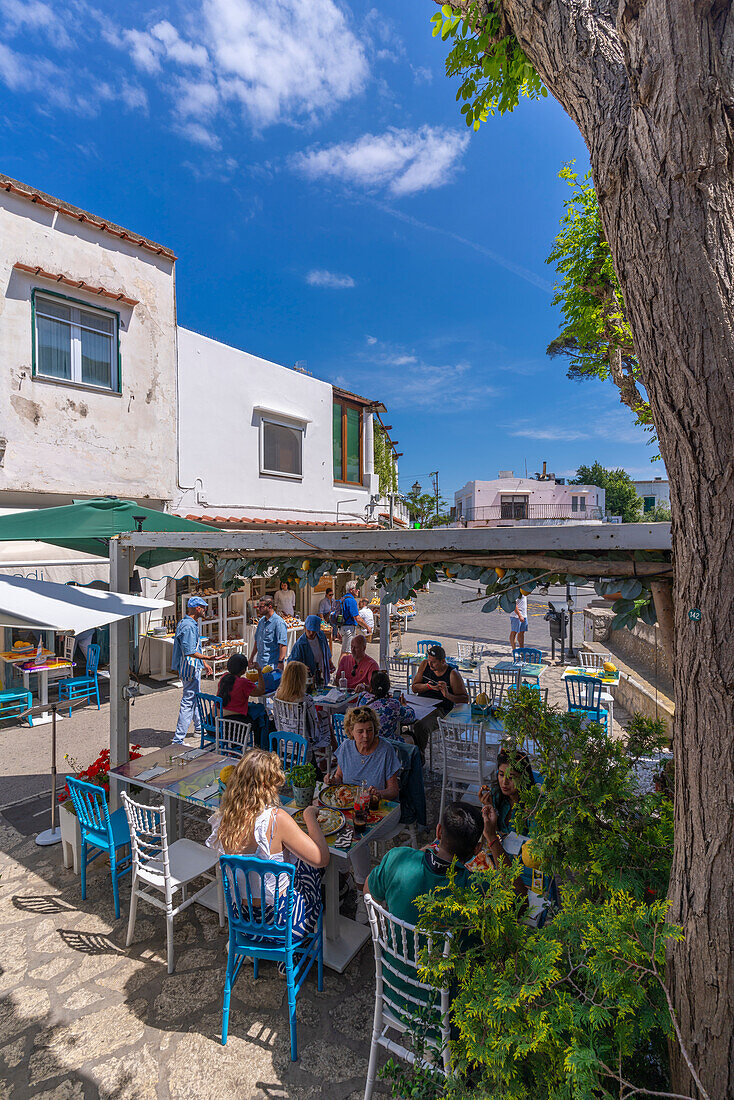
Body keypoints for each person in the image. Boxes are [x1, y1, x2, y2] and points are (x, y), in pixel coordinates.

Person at [207, 749, 330, 946]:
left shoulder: (223, 818)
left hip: (243, 921)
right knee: (312, 868)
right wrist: (309, 815)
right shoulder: (275, 819)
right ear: (265, 786)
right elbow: (321, 858)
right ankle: (292, 953)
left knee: (286, 864)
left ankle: (252, 949)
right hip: (280, 927)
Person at [326, 705, 401, 921]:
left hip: (384, 808)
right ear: (351, 731)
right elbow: (340, 778)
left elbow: (394, 791)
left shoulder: (385, 750)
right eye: (360, 731)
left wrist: (378, 794)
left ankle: (364, 896)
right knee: (333, 827)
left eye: (369, 730)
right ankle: (343, 875)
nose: (366, 736)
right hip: (354, 807)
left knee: (356, 836)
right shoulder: (346, 747)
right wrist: (333, 781)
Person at [364, 801, 484, 925]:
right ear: (477, 848)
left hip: (394, 943)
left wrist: (384, 923)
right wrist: (492, 838)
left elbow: (368, 889)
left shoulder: (398, 858)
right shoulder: (480, 888)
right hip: (447, 945)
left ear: (438, 832)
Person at [410, 644, 469, 755]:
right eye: (429, 661)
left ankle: (419, 756)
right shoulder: (424, 665)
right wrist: (427, 686)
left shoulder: (452, 674)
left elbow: (464, 699)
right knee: (401, 717)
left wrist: (447, 695)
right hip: (421, 704)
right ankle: (410, 752)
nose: (430, 664)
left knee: (420, 726)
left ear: (443, 661)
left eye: (433, 662)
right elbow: (414, 688)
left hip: (440, 709)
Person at [171, 596, 213, 745]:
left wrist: (204, 664)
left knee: (194, 697)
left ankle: (199, 728)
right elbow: (189, 651)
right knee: (188, 701)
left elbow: (195, 648)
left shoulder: (187, 623)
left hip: (192, 666)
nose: (205, 610)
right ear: (197, 608)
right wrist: (209, 658)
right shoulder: (188, 626)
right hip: (189, 667)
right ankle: (178, 740)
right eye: (203, 607)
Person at [274, 660, 331, 770]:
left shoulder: (278, 695)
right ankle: (328, 758)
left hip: (286, 740)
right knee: (325, 717)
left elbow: (277, 720)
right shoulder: (305, 699)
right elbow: (314, 730)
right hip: (304, 742)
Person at [217, 653, 269, 748]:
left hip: (219, 722)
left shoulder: (224, 677)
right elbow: (261, 690)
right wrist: (259, 671)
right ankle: (259, 746)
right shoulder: (243, 683)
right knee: (261, 717)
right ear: (243, 670)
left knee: (255, 710)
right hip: (235, 725)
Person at [357, 669, 416, 741]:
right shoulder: (393, 704)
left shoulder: (362, 696)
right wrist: (404, 705)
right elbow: (411, 717)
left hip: (365, 740)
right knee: (410, 739)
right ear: (388, 687)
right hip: (385, 743)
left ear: (371, 687)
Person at [288, 615, 334, 687]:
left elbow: (326, 651)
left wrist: (329, 662)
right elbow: (291, 663)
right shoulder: (300, 644)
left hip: (322, 673)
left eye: (314, 631)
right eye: (309, 630)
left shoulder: (321, 636)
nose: (311, 633)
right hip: (309, 679)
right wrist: (302, 667)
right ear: (305, 627)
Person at [250, 597, 288, 673]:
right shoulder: (261, 621)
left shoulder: (278, 622)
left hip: (271, 665)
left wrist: (280, 663)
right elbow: (257, 641)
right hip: (260, 663)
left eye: (261, 607)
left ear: (270, 607)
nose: (259, 608)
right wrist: (251, 657)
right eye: (258, 606)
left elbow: (282, 645)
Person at [337, 580, 360, 654]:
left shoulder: (343, 599)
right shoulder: (351, 601)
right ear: (351, 590)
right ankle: (343, 666)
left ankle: (345, 665)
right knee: (346, 652)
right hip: (348, 629)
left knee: (345, 652)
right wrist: (367, 627)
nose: (358, 590)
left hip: (342, 627)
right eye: (356, 589)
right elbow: (357, 617)